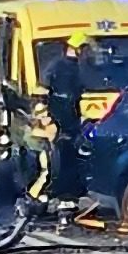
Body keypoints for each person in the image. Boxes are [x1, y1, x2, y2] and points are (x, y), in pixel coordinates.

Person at [41, 32, 89, 199]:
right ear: (75, 48)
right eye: (82, 48)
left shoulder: (76, 67)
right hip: (59, 118)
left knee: (71, 153)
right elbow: (45, 90)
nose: (84, 52)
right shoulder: (60, 66)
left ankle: (70, 189)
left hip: (70, 117)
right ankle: (59, 189)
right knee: (61, 154)